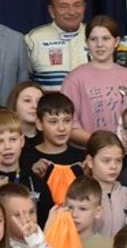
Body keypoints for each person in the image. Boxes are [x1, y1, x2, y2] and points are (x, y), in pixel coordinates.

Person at [62, 15, 127, 146]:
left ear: (116, 41)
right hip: (90, 153)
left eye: (106, 38)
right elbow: (69, 126)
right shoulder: (74, 78)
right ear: (86, 42)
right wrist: (103, 145)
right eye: (93, 39)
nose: (99, 44)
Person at [21, 91, 84, 222]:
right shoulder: (27, 158)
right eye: (53, 122)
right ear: (39, 124)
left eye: (67, 120)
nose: (62, 128)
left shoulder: (82, 158)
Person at [23, 0, 89, 91]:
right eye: (64, 6)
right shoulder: (33, 39)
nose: (72, 12)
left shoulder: (98, 37)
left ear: (84, 8)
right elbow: (24, 85)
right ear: (52, 11)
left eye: (77, 5)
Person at [83, 131, 127, 238]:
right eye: (106, 161)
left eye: (118, 160)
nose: (113, 166)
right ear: (90, 161)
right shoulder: (81, 195)